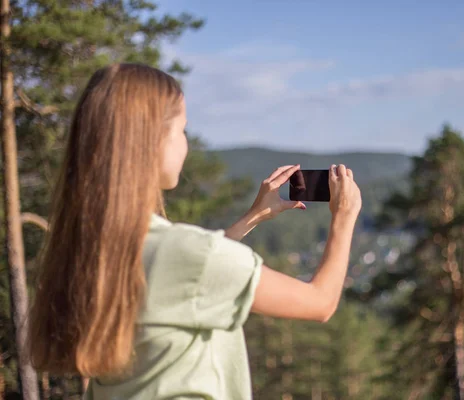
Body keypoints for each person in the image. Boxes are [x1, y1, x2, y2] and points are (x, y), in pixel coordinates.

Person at [26, 63, 362, 400]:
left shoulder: (93, 249)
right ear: (152, 140)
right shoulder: (190, 256)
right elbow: (320, 302)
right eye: (182, 130)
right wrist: (344, 216)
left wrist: (253, 217)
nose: (186, 144)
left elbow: (184, 278)